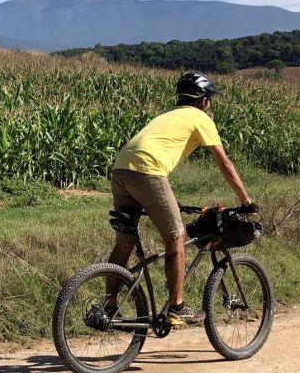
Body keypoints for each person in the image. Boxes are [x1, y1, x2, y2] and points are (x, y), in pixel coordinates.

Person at [108, 72, 257, 325]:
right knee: (176, 236)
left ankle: (109, 306)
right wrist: (246, 200)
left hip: (121, 171)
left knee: (125, 244)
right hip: (148, 173)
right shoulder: (200, 117)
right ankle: (177, 307)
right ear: (204, 101)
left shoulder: (168, 115)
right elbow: (225, 163)